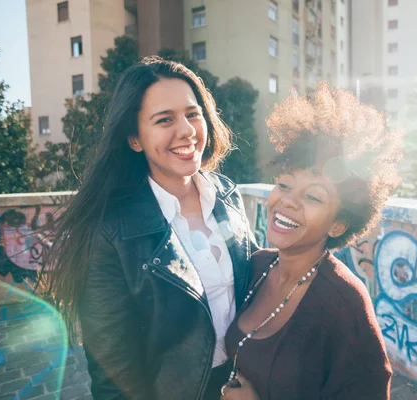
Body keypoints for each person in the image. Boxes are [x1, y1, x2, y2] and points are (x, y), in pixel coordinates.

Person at [45, 57, 258, 400]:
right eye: (164, 120)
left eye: (193, 113)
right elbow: (113, 378)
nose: (187, 131)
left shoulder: (227, 194)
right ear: (134, 139)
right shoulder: (110, 233)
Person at [221, 83, 401, 400]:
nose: (288, 201)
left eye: (314, 196)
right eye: (284, 184)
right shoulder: (256, 265)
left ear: (338, 224)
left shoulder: (345, 305)